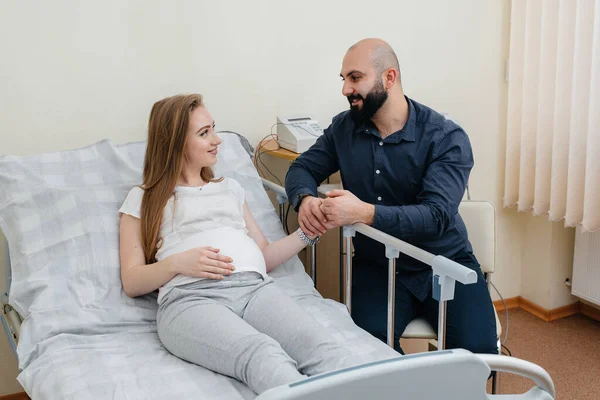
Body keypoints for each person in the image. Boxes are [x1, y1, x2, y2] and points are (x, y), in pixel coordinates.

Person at [118, 94, 389, 394]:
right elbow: (132, 281)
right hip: (190, 299)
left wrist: (307, 233)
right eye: (204, 133)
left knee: (321, 346)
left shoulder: (230, 189)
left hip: (254, 289)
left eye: (214, 128)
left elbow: (264, 255)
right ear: (175, 143)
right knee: (262, 353)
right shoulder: (144, 198)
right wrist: (177, 263)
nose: (217, 139)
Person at [285, 38, 498, 355]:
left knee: (477, 353)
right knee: (367, 352)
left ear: (389, 78)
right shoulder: (344, 130)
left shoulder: (445, 137)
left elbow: (436, 216)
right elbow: (301, 168)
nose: (345, 89)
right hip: (378, 267)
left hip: (443, 264)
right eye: (344, 79)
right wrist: (305, 199)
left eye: (355, 78)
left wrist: (364, 214)